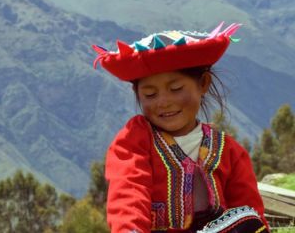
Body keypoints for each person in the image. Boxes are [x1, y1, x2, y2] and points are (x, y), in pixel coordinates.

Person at [92, 22, 269, 232]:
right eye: (150, 94)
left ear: (203, 83)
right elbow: (128, 194)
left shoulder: (229, 152)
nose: (163, 102)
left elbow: (250, 214)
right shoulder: (135, 140)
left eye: (175, 88)